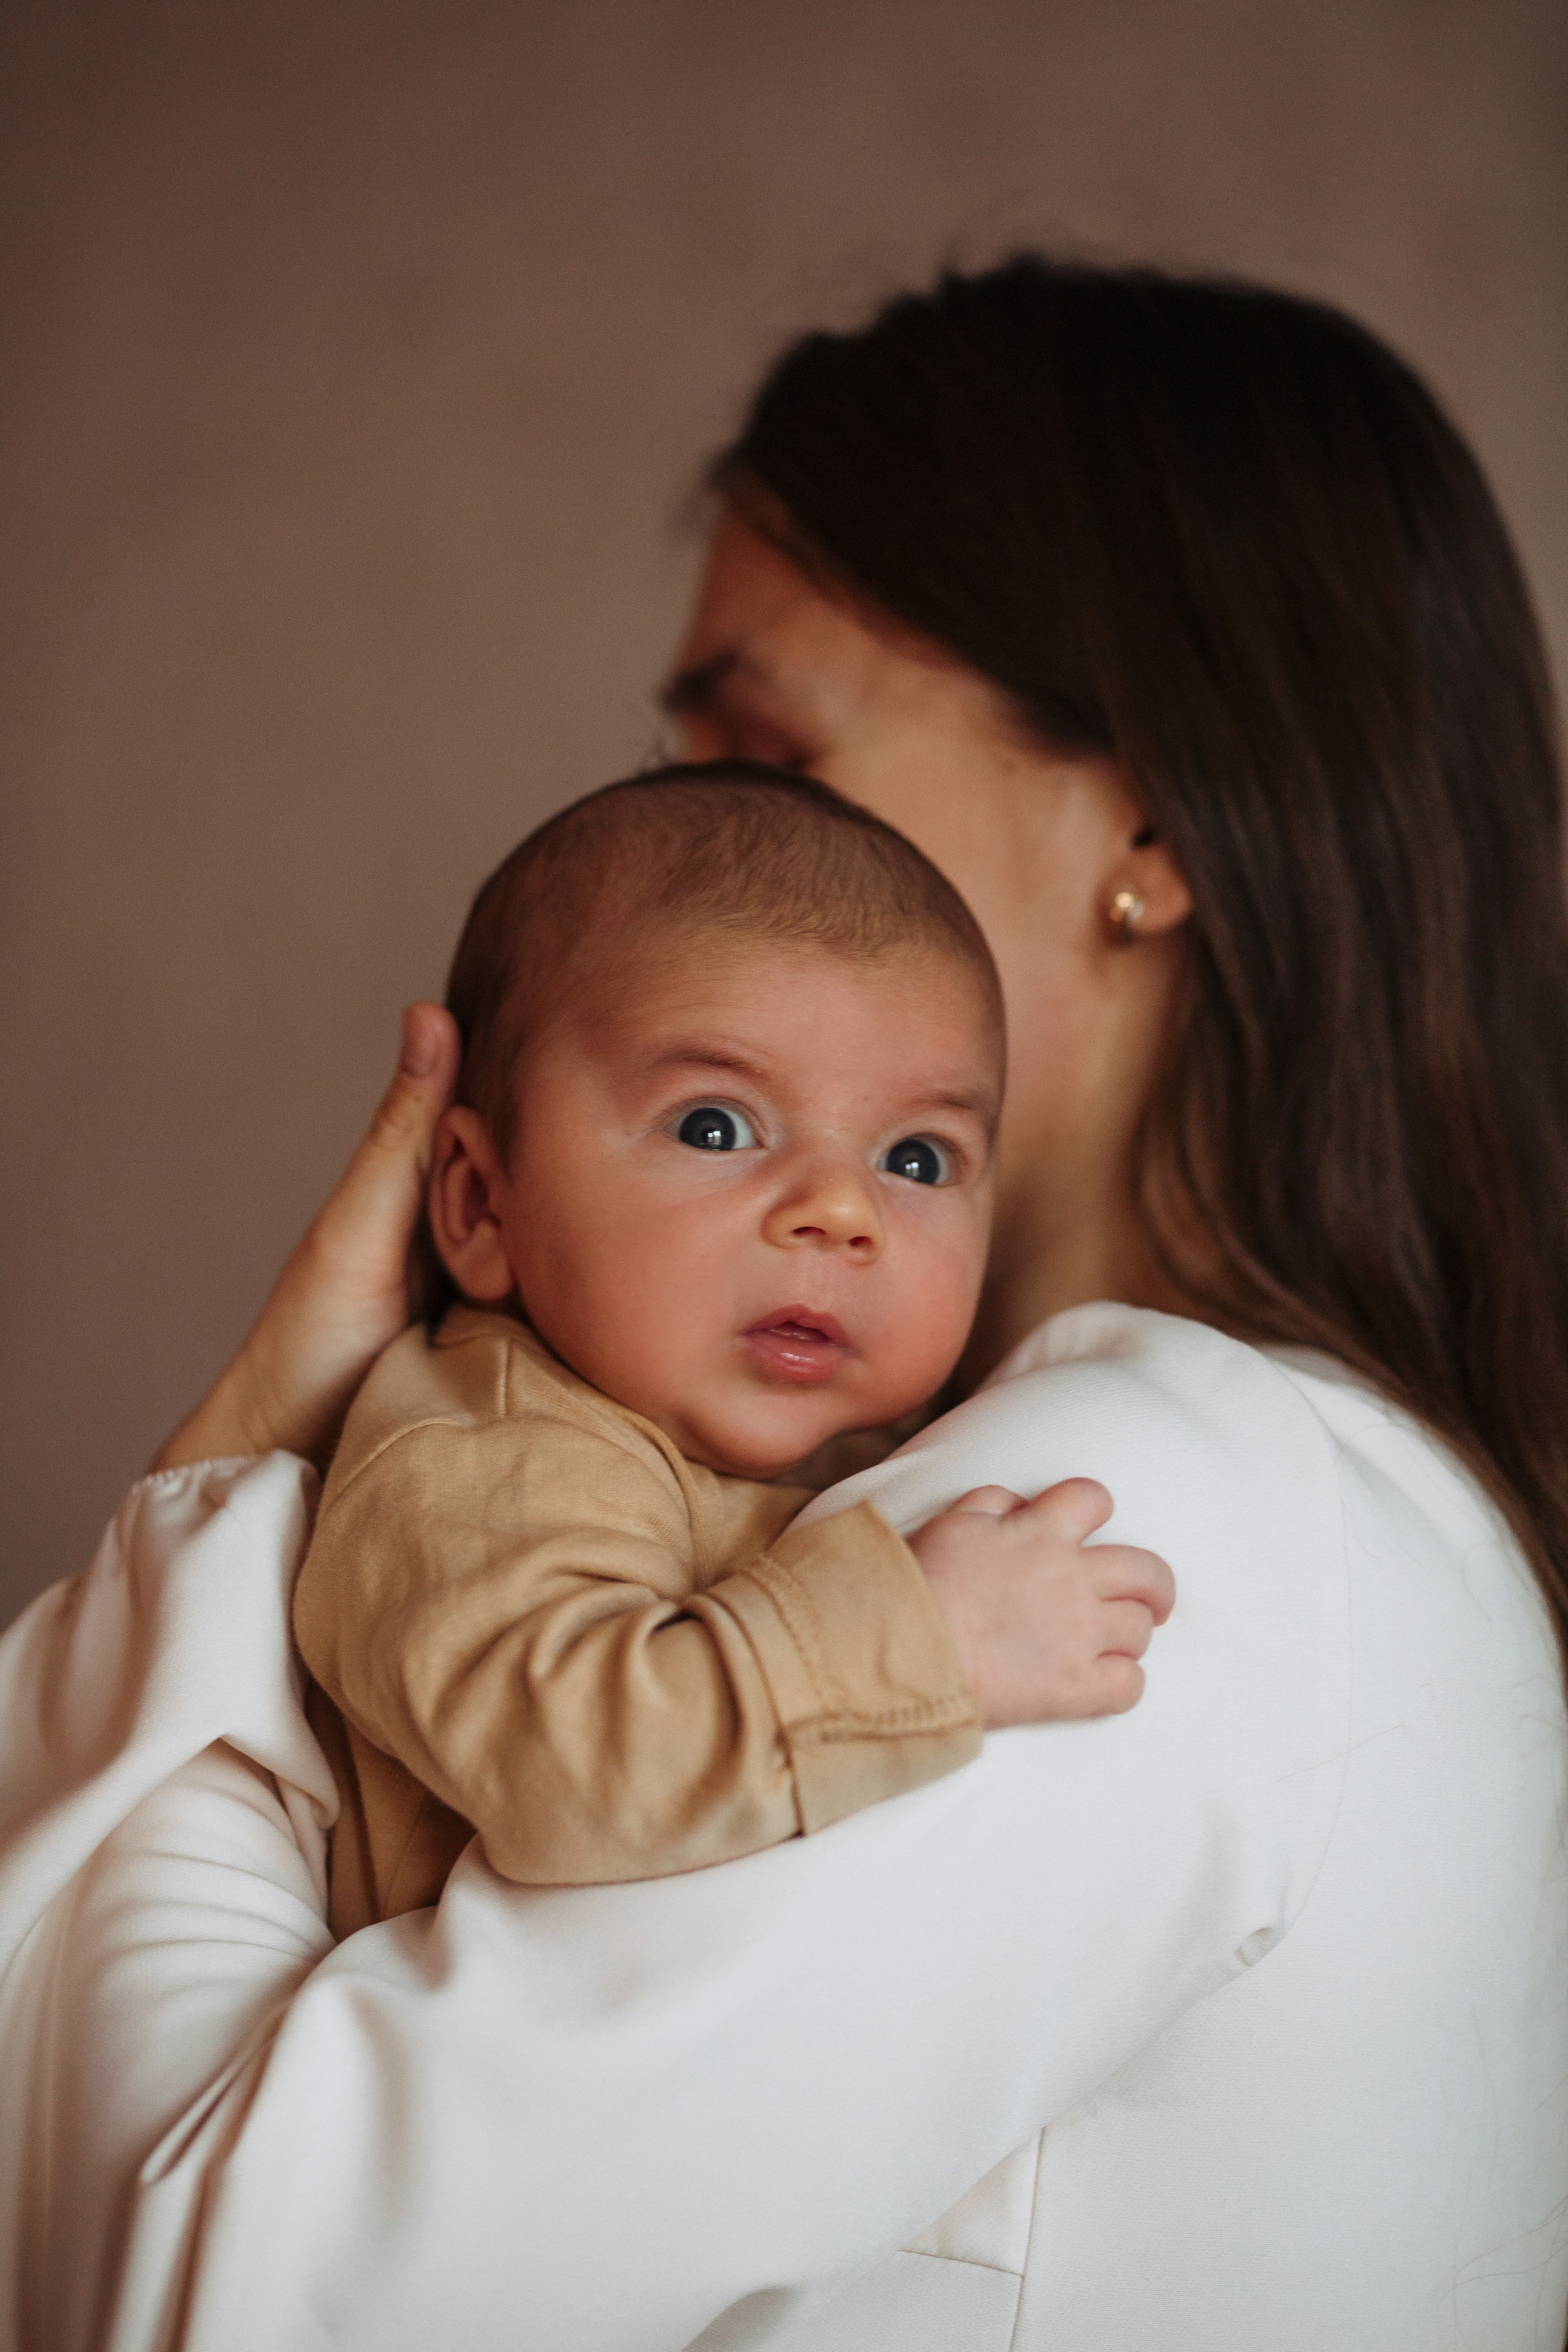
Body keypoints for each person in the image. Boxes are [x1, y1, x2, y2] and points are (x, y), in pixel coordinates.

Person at [2, 255, 1567, 2352]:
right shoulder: (1290, 1493)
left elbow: (187, 2296)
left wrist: (226, 1494)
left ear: (1160, 823)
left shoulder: (1136, 1513)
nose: (719, 861)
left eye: (777, 760)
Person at [298, 763, 1171, 1934]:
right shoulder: (484, 1452)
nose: (841, 1212)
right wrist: (927, 1643)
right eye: (717, 1126)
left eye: (917, 1158)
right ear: (480, 1204)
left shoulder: (906, 1441)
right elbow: (574, 1771)